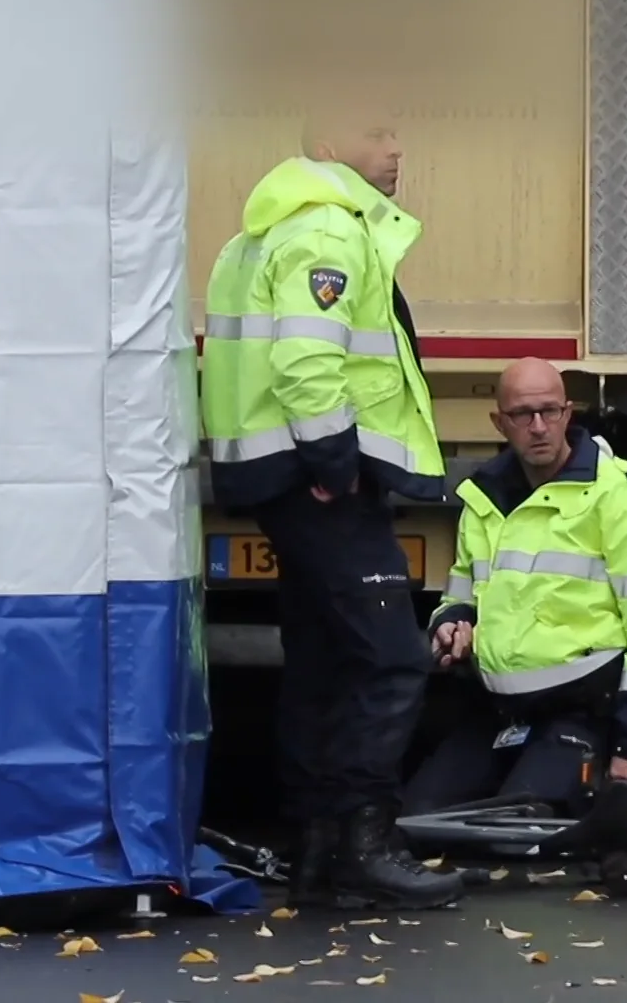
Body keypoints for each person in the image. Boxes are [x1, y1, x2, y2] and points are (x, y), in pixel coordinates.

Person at [199, 114, 464, 911]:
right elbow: (307, 362)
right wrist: (333, 464)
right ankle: (364, 843)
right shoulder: (326, 232)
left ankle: (316, 849)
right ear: (323, 141)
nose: (397, 148)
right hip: (319, 484)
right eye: (379, 132)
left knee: (322, 660)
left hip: (281, 479)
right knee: (390, 659)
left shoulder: (267, 230)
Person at [401, 357, 627, 896]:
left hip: (582, 706)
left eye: (549, 411)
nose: (537, 426)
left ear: (567, 412)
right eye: (523, 414)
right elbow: (462, 585)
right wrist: (453, 623)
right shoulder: (484, 498)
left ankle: (604, 802)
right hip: (500, 709)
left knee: (522, 836)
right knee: (420, 822)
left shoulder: (616, 496)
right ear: (499, 423)